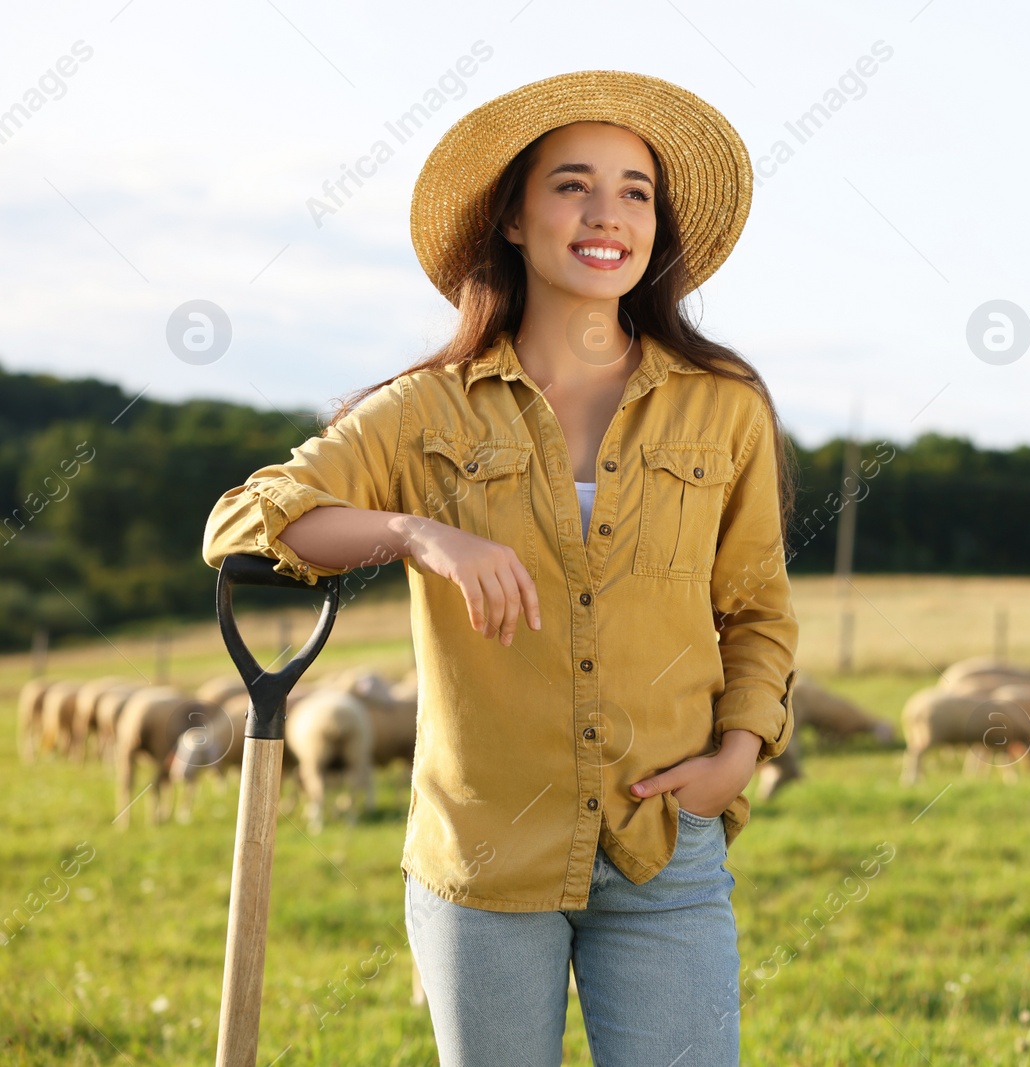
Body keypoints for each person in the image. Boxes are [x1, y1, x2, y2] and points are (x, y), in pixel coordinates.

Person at [201, 69, 800, 1066]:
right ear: (514, 219)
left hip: (663, 845)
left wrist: (737, 756)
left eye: (635, 190)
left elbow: (756, 610)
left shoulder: (722, 404)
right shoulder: (424, 409)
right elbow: (246, 521)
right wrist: (415, 533)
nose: (607, 212)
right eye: (572, 184)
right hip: (478, 857)